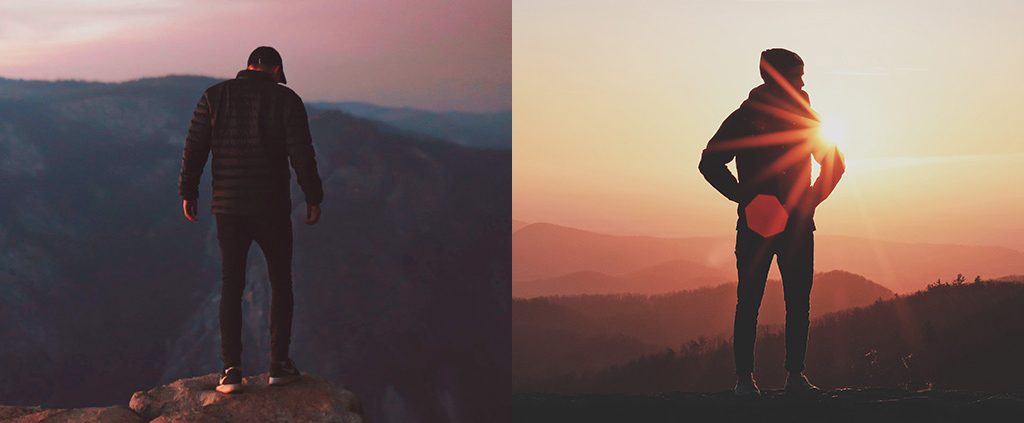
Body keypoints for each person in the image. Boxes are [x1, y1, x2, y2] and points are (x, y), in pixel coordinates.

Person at [698, 48, 845, 398]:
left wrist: (743, 196)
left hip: (774, 223)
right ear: (779, 79)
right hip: (783, 224)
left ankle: (763, 380)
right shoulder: (756, 118)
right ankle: (759, 379)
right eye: (797, 75)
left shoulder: (766, 117)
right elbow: (709, 162)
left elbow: (834, 163)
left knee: (762, 301)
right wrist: (742, 196)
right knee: (773, 301)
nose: (803, 81)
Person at [177, 46, 324, 394]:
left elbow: (194, 147)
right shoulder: (286, 100)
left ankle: (231, 370)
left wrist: (188, 190)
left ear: (248, 66)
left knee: (231, 284)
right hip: (272, 207)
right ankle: (279, 365)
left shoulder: (213, 97)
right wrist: (313, 196)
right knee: (280, 283)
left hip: (228, 208)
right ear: (275, 71)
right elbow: (302, 152)